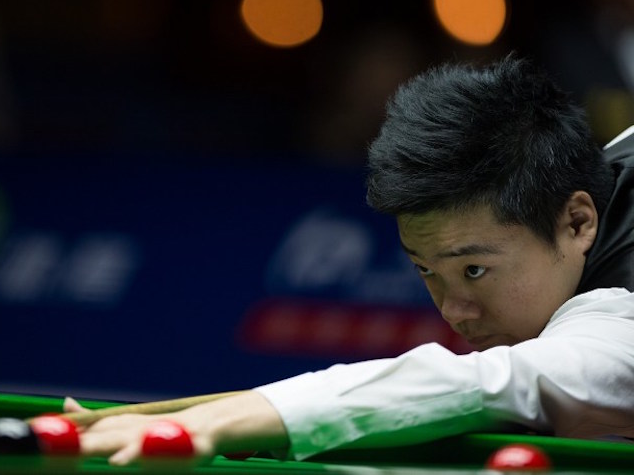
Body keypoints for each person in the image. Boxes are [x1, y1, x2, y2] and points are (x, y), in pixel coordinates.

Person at [63, 56, 634, 465]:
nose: (454, 310)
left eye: (474, 269)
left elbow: (497, 383)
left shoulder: (619, 318)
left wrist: (227, 421)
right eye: (426, 270)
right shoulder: (608, 171)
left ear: (577, 222)